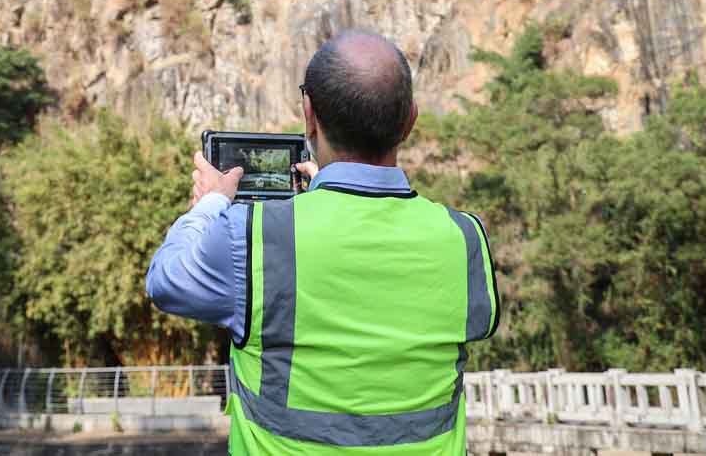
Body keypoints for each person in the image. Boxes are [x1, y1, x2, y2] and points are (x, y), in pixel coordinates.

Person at [146, 30, 500, 455]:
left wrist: (210, 204)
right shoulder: (464, 239)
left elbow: (166, 281)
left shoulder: (254, 237)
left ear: (309, 115)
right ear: (410, 121)